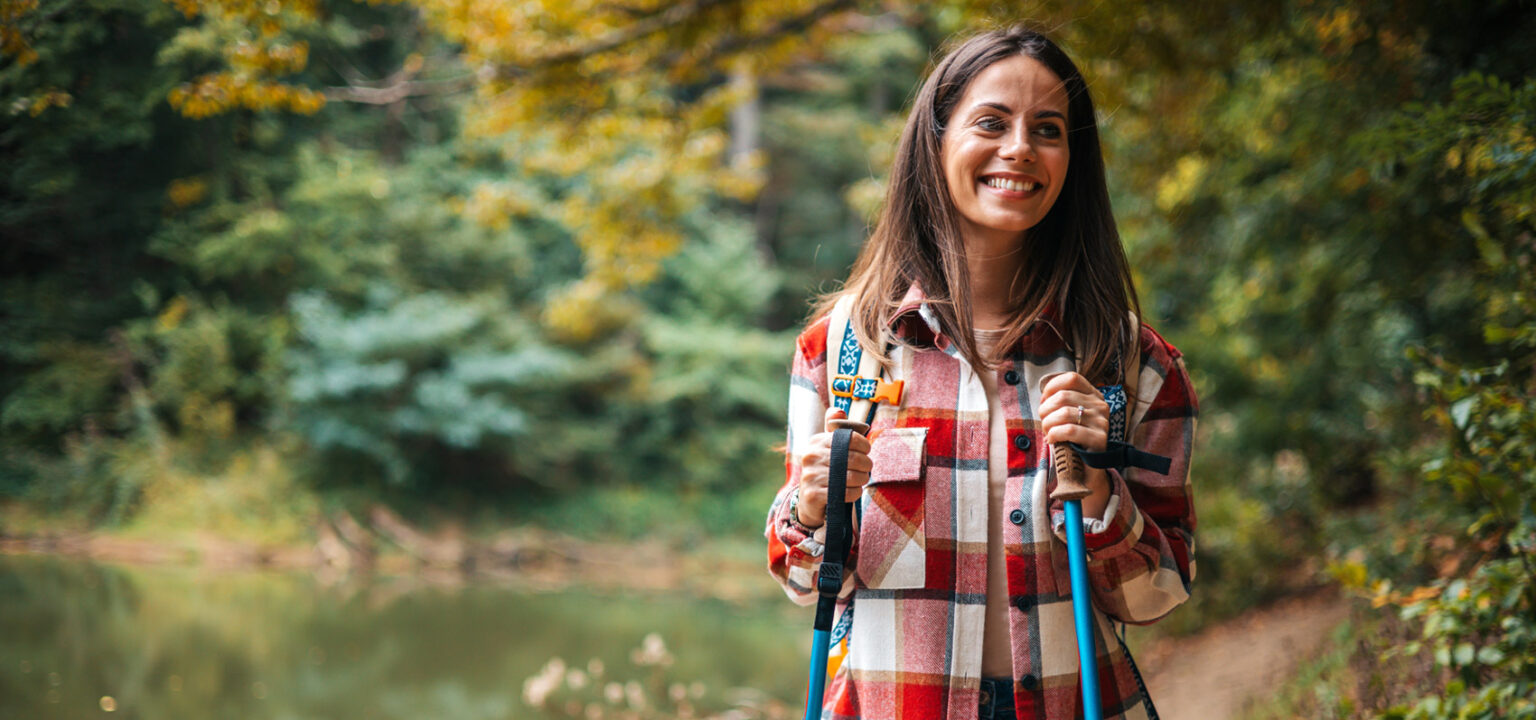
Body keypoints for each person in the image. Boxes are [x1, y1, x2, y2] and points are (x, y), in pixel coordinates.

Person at [765, 26, 1199, 720]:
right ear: (935, 144)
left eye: (1048, 130)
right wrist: (811, 510)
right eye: (992, 122)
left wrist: (1097, 491)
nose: (1020, 147)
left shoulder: (1129, 363)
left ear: (1072, 161)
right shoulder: (842, 350)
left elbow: (1157, 595)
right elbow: (806, 582)